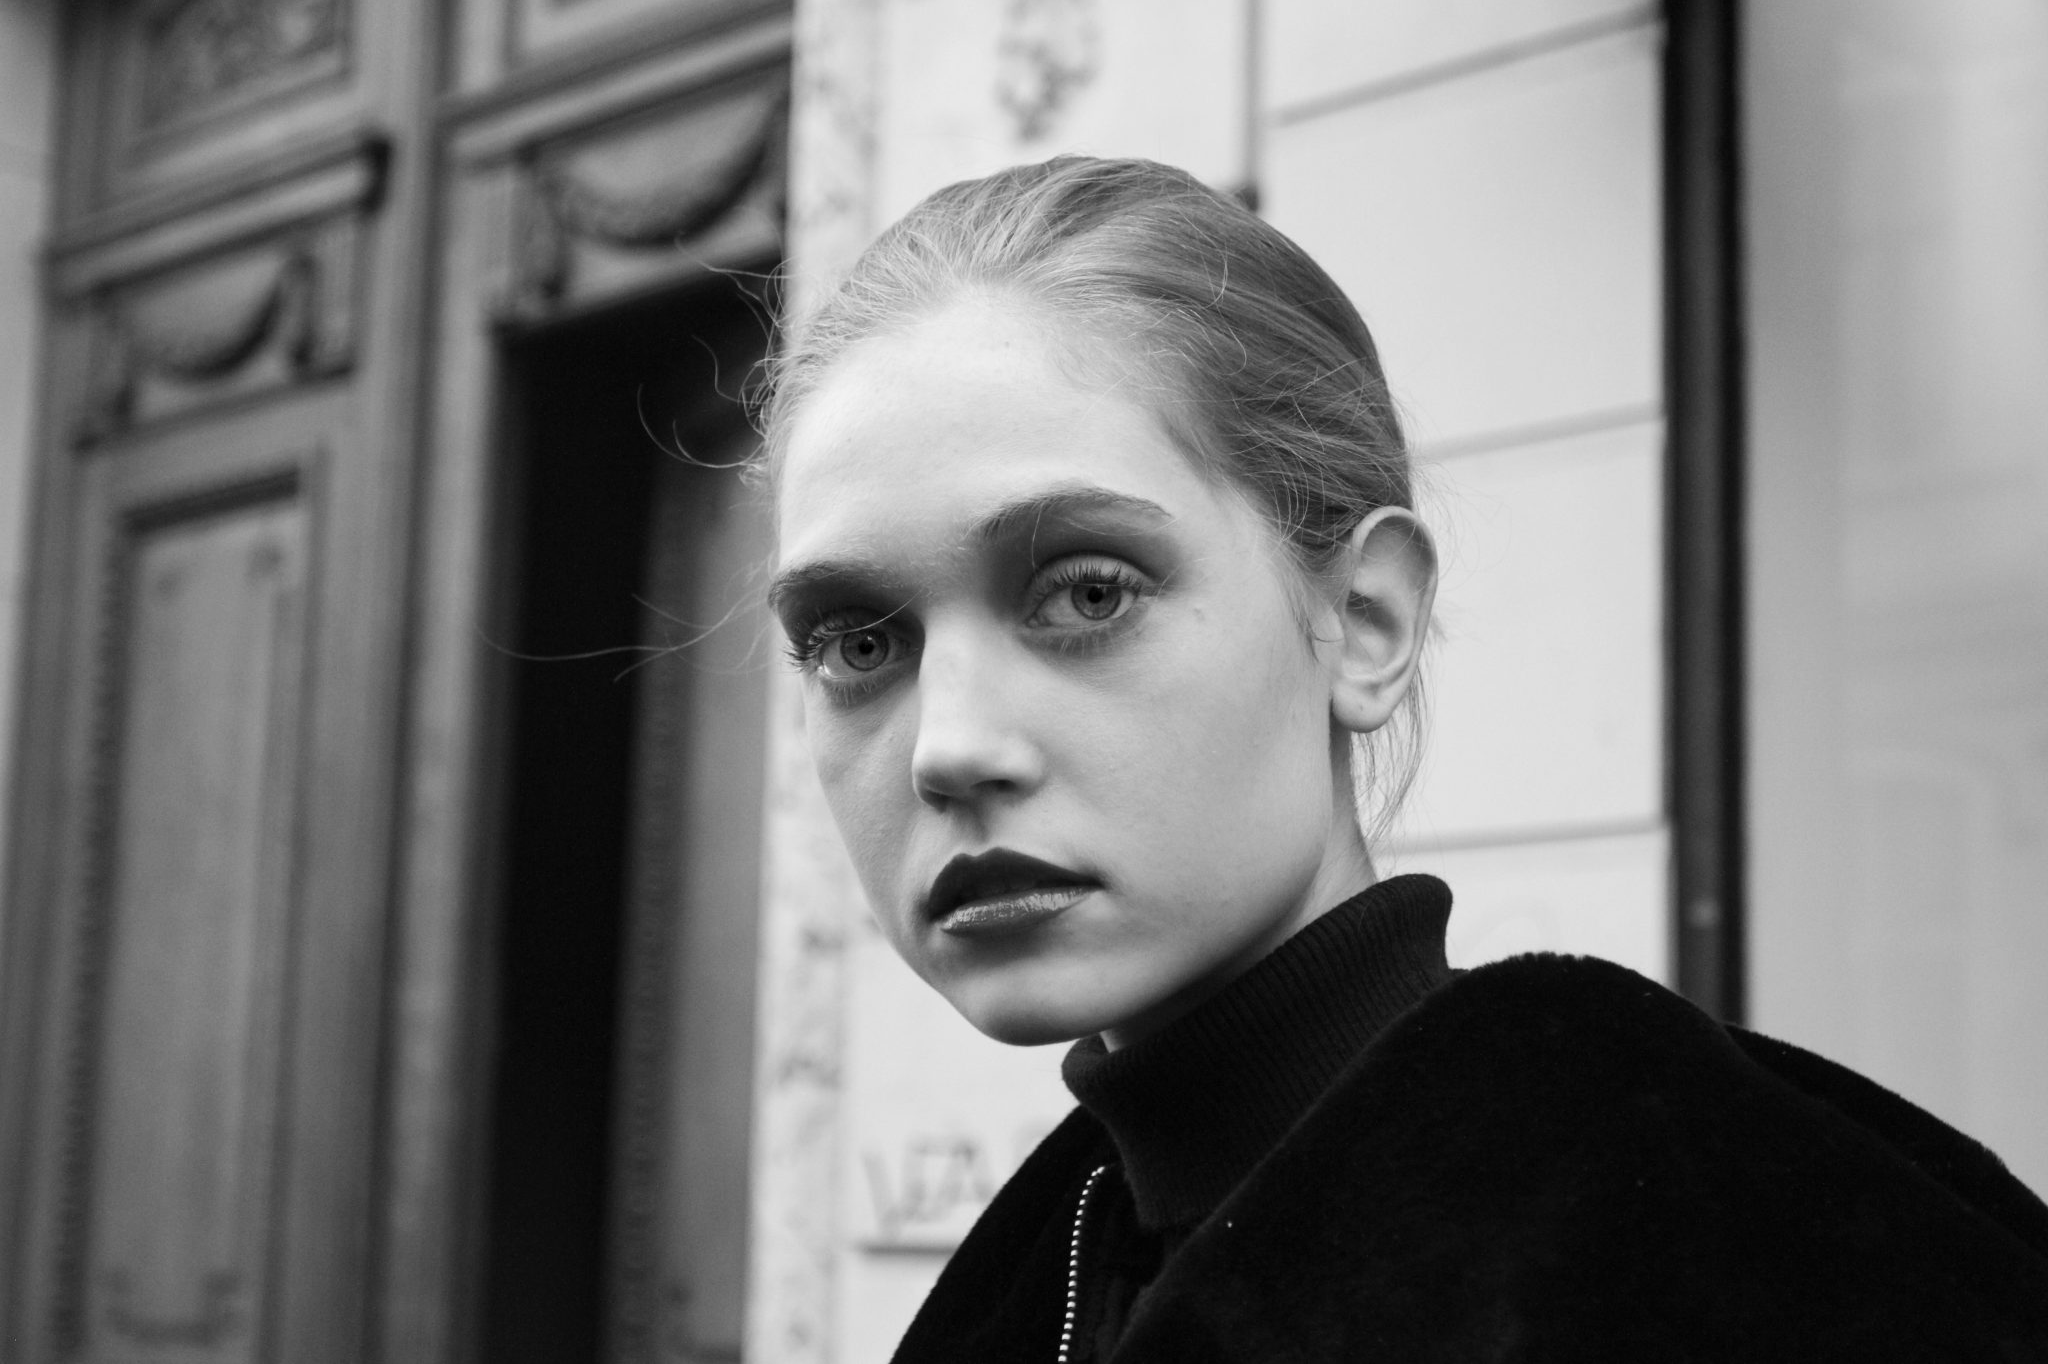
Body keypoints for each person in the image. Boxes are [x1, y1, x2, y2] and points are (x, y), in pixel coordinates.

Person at [757, 156, 2048, 1361]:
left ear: (1366, 620)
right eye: (857, 641)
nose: (952, 747)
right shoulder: (1056, 1256)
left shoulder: (1760, 1238)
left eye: (1090, 593)